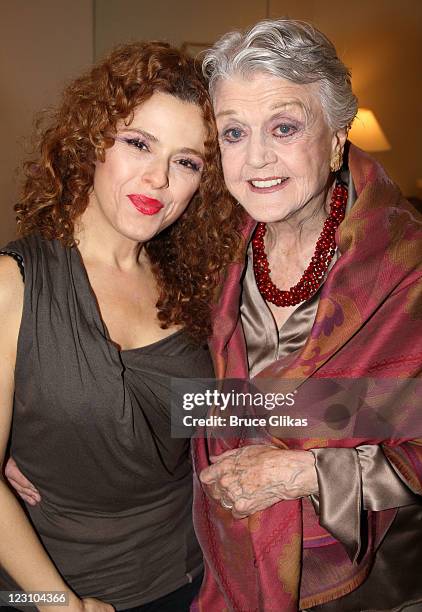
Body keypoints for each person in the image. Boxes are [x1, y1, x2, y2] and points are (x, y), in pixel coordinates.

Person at [0, 41, 242, 611]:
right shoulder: (14, 284)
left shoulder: (198, 286)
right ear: (93, 143)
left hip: (194, 577)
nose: (158, 179)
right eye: (139, 143)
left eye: (186, 161)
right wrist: (57, 603)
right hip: (53, 591)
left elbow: (228, 410)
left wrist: (385, 408)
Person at [191, 19, 422, 612]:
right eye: (234, 133)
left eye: (285, 127)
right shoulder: (214, 252)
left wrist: (303, 473)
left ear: (338, 137)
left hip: (375, 586)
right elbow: (191, 399)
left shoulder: (409, 269)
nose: (257, 159)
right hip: (230, 561)